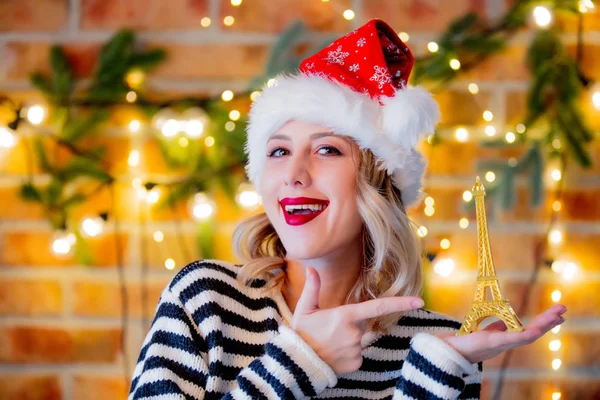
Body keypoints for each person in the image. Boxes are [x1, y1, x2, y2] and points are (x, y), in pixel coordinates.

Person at [128, 19, 566, 400]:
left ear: (376, 182)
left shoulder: (436, 345)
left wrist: (440, 371)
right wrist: (300, 360)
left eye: (326, 149)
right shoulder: (205, 300)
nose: (294, 174)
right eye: (278, 152)